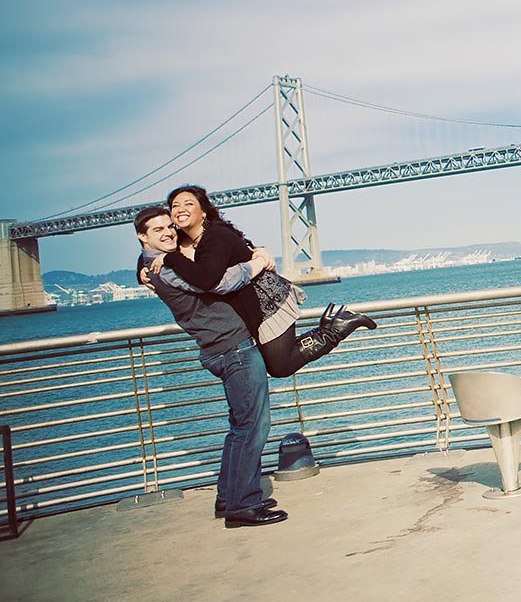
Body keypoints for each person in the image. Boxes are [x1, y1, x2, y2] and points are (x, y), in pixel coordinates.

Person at [135, 206, 287, 528]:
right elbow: (215, 282)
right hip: (232, 347)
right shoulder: (166, 268)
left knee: (239, 427)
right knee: (254, 427)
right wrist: (257, 261)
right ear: (142, 237)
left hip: (220, 348)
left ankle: (228, 497)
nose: (168, 233)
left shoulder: (155, 265)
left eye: (169, 227)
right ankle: (244, 505)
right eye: (157, 230)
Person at [144, 184, 376, 378]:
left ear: (203, 211)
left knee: (280, 367)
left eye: (188, 204)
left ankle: (337, 327)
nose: (180, 208)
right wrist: (142, 271)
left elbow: (207, 280)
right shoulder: (182, 240)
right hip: (249, 308)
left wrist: (171, 258)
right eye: (175, 205)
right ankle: (332, 325)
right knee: (276, 364)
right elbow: (150, 250)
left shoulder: (215, 236)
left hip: (267, 301)